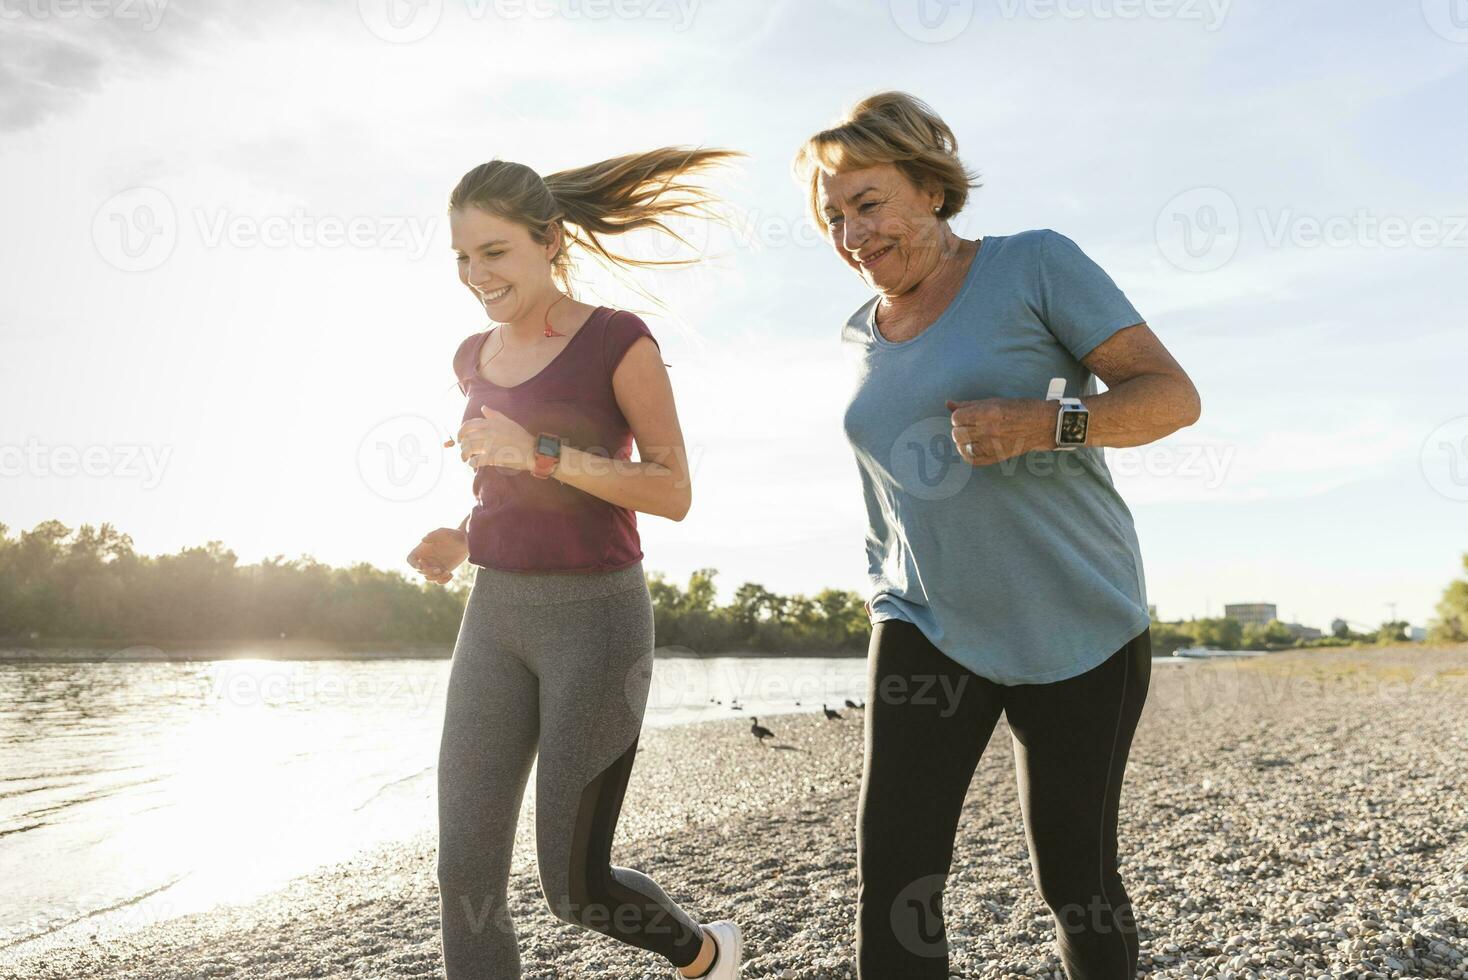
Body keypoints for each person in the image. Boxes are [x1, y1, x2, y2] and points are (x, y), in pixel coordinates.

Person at [793, 92, 1202, 979]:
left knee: (1077, 881)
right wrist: (885, 583)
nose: (852, 234)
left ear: (932, 190)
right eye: (833, 218)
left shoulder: (1035, 265)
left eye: (868, 204)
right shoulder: (861, 334)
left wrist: (1041, 425)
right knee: (895, 877)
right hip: (924, 623)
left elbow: (1171, 397)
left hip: (1078, 619)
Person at [407, 149, 743, 980]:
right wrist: (460, 535)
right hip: (493, 620)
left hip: (597, 620)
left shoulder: (618, 341)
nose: (475, 274)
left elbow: (672, 491)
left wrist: (543, 455)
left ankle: (706, 954)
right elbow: (502, 483)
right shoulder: (469, 357)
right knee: (465, 872)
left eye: (494, 252)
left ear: (548, 240)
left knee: (575, 885)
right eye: (461, 256)